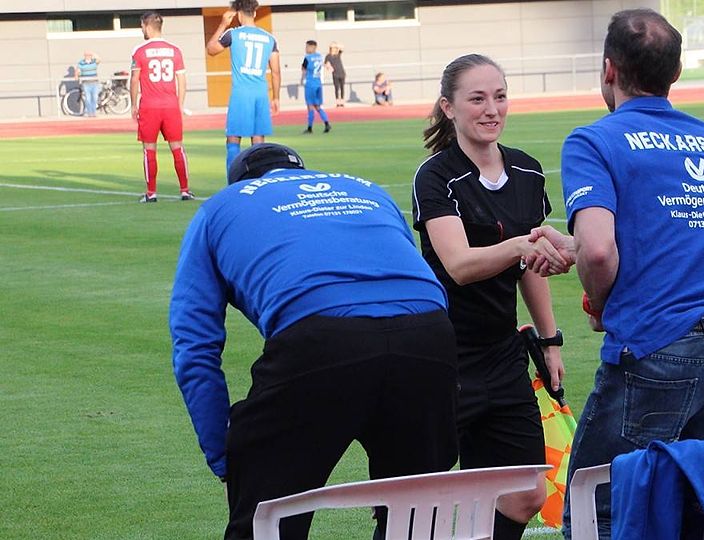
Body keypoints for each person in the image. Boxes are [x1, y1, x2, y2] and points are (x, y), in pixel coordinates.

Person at [525, 9, 704, 539]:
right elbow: (674, 241)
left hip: (660, 344)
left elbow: (600, 252)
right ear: (674, 73)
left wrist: (599, 302)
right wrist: (575, 248)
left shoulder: (594, 140)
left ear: (608, 69)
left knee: (597, 509)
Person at [170, 143, 460, 540]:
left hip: (322, 340)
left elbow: (195, 348)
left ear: (240, 182)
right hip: (429, 335)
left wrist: (227, 461)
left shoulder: (219, 207)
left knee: (267, 521)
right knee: (413, 519)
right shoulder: (367, 189)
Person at [412, 53, 569, 540]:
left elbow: (532, 268)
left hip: (503, 356)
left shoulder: (528, 171)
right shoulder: (435, 176)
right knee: (420, 499)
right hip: (443, 357)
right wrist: (520, 246)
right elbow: (459, 265)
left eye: (500, 97)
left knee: (525, 492)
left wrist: (550, 340)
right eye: (477, 99)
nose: (492, 109)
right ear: (448, 107)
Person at [205, 0, 280, 175]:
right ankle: (259, 181)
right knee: (258, 141)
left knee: (233, 140)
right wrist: (276, 97)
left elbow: (211, 49)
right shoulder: (270, 39)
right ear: (255, 13)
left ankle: (233, 182)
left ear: (238, 14)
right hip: (260, 94)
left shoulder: (233, 34)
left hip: (241, 93)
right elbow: (275, 72)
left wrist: (223, 24)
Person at [130, 11, 194, 203]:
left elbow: (134, 80)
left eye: (142, 26)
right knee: (177, 148)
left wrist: (133, 104)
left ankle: (151, 193)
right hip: (171, 105)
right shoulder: (175, 50)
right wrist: (179, 104)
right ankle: (185, 190)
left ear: (148, 27)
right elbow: (182, 80)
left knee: (149, 149)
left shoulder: (140, 51)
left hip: (149, 106)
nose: (142, 30)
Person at [300, 39, 331, 133]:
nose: (306, 49)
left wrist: (302, 79)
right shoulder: (319, 56)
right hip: (318, 83)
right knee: (317, 106)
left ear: (312, 47)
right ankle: (327, 123)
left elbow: (304, 69)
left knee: (310, 106)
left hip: (310, 84)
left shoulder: (307, 58)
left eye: (307, 47)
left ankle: (310, 128)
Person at [76, 51, 101, 117]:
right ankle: (89, 113)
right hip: (86, 83)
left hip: (94, 83)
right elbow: (77, 70)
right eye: (86, 55)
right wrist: (76, 76)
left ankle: (94, 112)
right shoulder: (81, 63)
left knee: (95, 98)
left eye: (89, 55)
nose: (88, 56)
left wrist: (94, 54)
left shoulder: (94, 61)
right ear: (84, 56)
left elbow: (99, 59)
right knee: (88, 98)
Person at [324, 42, 346, 107]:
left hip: (342, 73)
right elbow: (325, 64)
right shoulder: (328, 56)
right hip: (335, 74)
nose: (333, 49)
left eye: (334, 48)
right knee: (336, 88)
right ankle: (337, 103)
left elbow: (342, 47)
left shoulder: (338, 54)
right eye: (332, 48)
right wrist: (329, 67)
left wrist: (336, 45)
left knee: (342, 88)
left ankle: (342, 102)